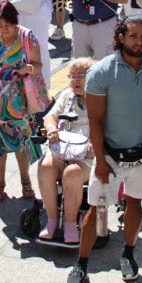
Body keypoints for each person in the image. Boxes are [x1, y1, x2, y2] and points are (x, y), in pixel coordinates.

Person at [68, 17, 142, 283]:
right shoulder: (102, 71)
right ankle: (81, 264)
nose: (139, 42)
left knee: (135, 205)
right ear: (120, 37)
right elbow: (95, 121)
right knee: (96, 209)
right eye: (133, 36)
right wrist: (102, 162)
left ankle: (129, 255)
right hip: (109, 156)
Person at [0, 0, 44, 202]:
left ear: (15, 21)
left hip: (18, 98)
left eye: (7, 25)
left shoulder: (26, 36)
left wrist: (28, 69)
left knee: (22, 140)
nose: (3, 30)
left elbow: (38, 64)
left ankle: (26, 183)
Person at [38, 57, 94, 242]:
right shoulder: (66, 95)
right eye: (73, 76)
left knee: (72, 172)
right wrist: (52, 129)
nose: (76, 80)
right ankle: (52, 220)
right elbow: (50, 117)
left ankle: (70, 224)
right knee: (45, 166)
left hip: (86, 155)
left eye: (81, 76)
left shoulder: (100, 98)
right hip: (62, 149)